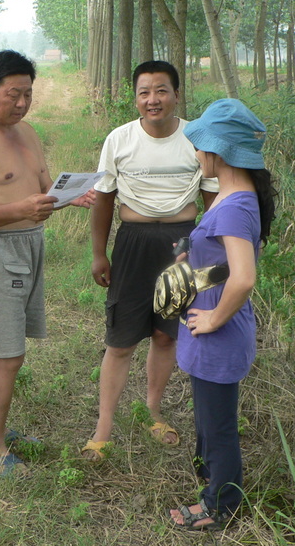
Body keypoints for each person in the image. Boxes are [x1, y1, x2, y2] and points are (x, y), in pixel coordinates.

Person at [0, 50, 93, 476]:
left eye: (28, 94)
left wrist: (70, 196)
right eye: (13, 95)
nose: (21, 104)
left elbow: (42, 187)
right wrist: (22, 210)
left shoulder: (27, 133)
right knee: (7, 353)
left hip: (29, 246)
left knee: (5, 350)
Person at [82, 61, 218, 462]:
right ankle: (103, 430)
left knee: (165, 335)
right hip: (133, 244)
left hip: (182, 244)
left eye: (161, 91)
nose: (152, 99)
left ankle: (153, 412)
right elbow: (104, 198)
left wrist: (210, 252)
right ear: (136, 97)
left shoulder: (196, 138)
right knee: (120, 340)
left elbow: (213, 199)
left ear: (177, 94)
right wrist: (97, 253)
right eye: (144, 92)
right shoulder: (119, 139)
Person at [168, 98, 276, 531]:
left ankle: (221, 507)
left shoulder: (232, 206)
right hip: (211, 329)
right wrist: (188, 258)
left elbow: (244, 277)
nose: (196, 153)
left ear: (219, 152)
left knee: (218, 425)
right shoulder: (235, 196)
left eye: (200, 145)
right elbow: (227, 264)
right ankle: (210, 482)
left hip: (218, 333)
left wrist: (213, 320)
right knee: (208, 418)